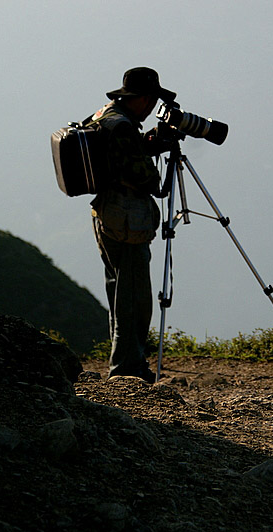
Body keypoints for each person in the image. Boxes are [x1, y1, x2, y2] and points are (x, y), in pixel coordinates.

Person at [89, 67, 174, 383]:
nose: (152, 107)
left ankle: (123, 361)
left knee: (118, 291)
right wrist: (159, 157)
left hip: (105, 214)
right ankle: (128, 368)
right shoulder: (122, 128)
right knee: (134, 296)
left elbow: (115, 158)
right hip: (126, 219)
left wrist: (147, 144)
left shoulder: (105, 116)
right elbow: (146, 179)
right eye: (150, 100)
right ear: (140, 98)